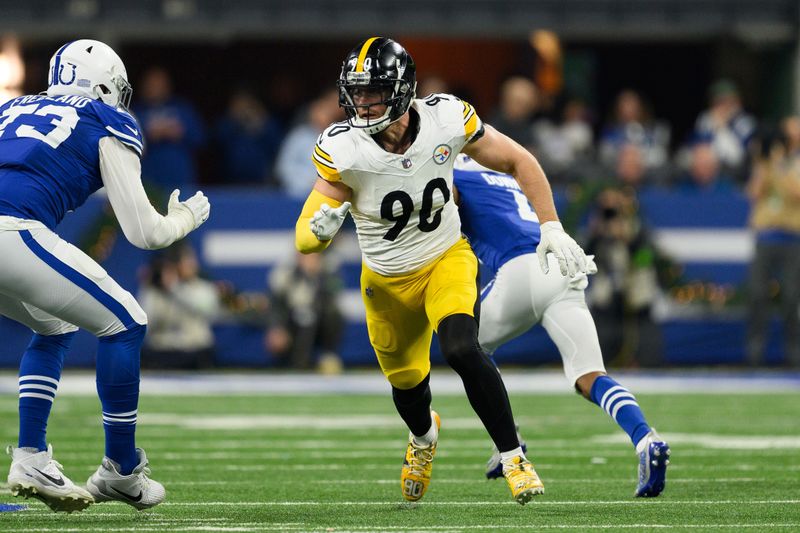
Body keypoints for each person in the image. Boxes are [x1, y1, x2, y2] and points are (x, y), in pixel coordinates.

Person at [295, 37, 589, 505]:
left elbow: (519, 160)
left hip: (444, 258)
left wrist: (550, 225)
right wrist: (321, 227)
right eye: (357, 91)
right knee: (409, 388)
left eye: (373, 91)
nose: (362, 102)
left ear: (402, 89)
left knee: (462, 348)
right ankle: (424, 437)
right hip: (387, 283)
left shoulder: (445, 117)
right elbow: (303, 239)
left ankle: (513, 455)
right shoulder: (343, 147)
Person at [0, 40, 210, 512]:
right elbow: (144, 232)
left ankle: (31, 455)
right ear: (102, 85)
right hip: (11, 230)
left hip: (7, 229)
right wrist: (187, 218)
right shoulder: (105, 118)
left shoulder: (10, 108)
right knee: (127, 323)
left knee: (53, 326)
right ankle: (120, 469)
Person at [452, 155, 670, 498]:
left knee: (465, 348)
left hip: (520, 268)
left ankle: (510, 441)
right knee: (590, 376)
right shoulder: (498, 173)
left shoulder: (448, 170)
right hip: (561, 263)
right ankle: (645, 438)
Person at [745, 115, 800, 367]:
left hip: (791, 236)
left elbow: (795, 192)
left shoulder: (794, 162)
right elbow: (754, 193)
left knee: (791, 297)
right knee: (757, 294)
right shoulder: (766, 161)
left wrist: (779, 165)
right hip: (766, 235)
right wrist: (763, 161)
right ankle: (754, 353)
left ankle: (793, 353)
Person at [266, 251, 344, 371]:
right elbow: (276, 304)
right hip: (292, 325)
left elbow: (332, 298)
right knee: (303, 318)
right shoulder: (285, 274)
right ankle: (297, 362)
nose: (309, 260)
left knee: (329, 315)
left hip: (320, 324)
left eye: (314, 256)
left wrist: (317, 278)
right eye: (306, 255)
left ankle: (327, 355)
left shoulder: (329, 272)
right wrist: (277, 327)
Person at [132, 66, 206, 190]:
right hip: (147, 181)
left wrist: (180, 132)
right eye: (151, 84)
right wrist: (148, 135)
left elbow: (200, 138)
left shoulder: (183, 108)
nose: (155, 88)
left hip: (180, 180)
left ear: (167, 86)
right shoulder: (134, 112)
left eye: (159, 84)